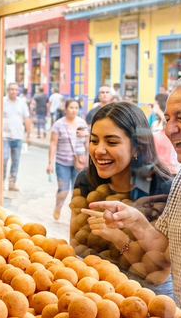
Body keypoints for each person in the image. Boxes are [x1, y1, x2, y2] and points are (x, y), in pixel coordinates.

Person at [87, 74, 181, 318]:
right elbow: (165, 251)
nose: (169, 129)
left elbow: (157, 271)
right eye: (168, 118)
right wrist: (136, 222)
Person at [74, 102, 173, 268]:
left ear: (137, 148)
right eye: (94, 141)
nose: (99, 150)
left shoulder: (162, 189)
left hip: (143, 291)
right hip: (88, 282)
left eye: (111, 142)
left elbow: (158, 271)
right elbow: (76, 246)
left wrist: (118, 238)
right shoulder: (86, 180)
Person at [46, 99, 88, 220]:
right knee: (63, 189)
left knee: (77, 190)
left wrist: (86, 135)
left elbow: (87, 143)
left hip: (79, 163)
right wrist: (50, 163)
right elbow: (53, 143)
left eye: (76, 108)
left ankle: (74, 215)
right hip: (62, 162)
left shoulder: (82, 123)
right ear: (65, 109)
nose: (74, 110)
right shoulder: (58, 124)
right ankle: (58, 207)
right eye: (71, 107)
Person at [2, 82, 31, 192]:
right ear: (7, 90)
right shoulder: (3, 101)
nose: (13, 91)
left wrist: (29, 135)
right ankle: (2, 182)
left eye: (16, 89)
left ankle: (12, 183)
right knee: (4, 159)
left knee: (16, 161)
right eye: (11, 89)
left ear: (18, 91)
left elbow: (26, 119)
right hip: (4, 136)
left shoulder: (22, 103)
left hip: (18, 136)